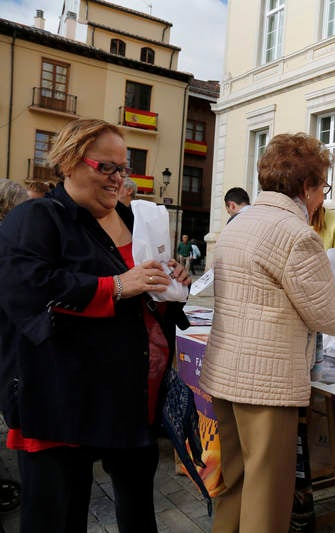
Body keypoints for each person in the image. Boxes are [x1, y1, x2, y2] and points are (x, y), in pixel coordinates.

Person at [0, 118, 192, 532]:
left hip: (128, 395)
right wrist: (119, 285)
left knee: (139, 507)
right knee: (58, 515)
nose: (117, 178)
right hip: (62, 397)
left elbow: (141, 286)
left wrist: (168, 283)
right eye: (106, 167)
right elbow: (27, 291)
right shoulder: (37, 218)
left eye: (122, 168)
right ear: (69, 162)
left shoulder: (128, 217)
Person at [199, 132, 335, 533]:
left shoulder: (237, 224)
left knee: (236, 485)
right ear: (306, 186)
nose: (323, 198)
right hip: (265, 385)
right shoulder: (296, 235)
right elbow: (332, 319)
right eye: (322, 187)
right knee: (266, 501)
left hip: (225, 374)